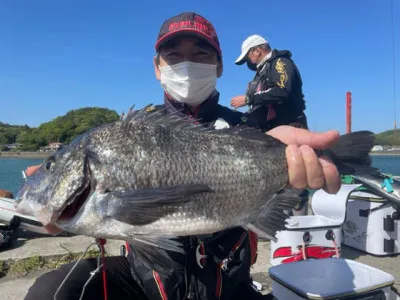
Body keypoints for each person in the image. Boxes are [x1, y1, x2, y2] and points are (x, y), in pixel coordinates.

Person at [24, 12, 341, 300]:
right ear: (157, 67)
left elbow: (274, 152)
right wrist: (54, 203)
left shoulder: (246, 128)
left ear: (218, 66)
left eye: (201, 54)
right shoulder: (134, 128)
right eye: (173, 55)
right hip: (145, 282)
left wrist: (293, 165)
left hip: (228, 285)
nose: (186, 64)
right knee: (50, 291)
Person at [231, 35, 308, 132]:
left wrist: (248, 99)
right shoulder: (264, 69)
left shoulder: (280, 62)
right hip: (271, 127)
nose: (248, 61)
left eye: (248, 56)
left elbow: (282, 90)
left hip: (289, 125)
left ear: (257, 51)